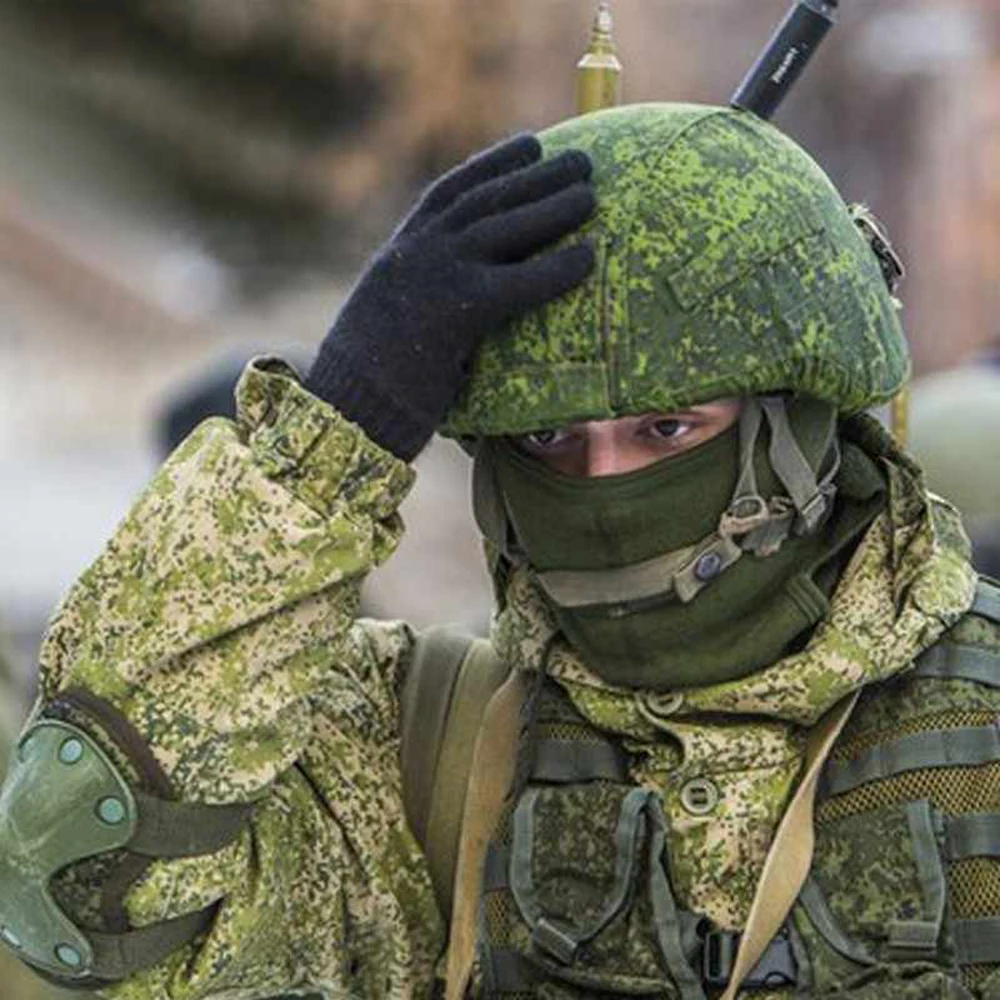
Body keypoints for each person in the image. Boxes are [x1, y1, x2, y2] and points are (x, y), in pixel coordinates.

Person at [1, 103, 998, 1000]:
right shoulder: (418, 748)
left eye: (664, 431)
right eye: (548, 441)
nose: (602, 487)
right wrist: (332, 439)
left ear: (797, 424)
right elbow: (77, 880)